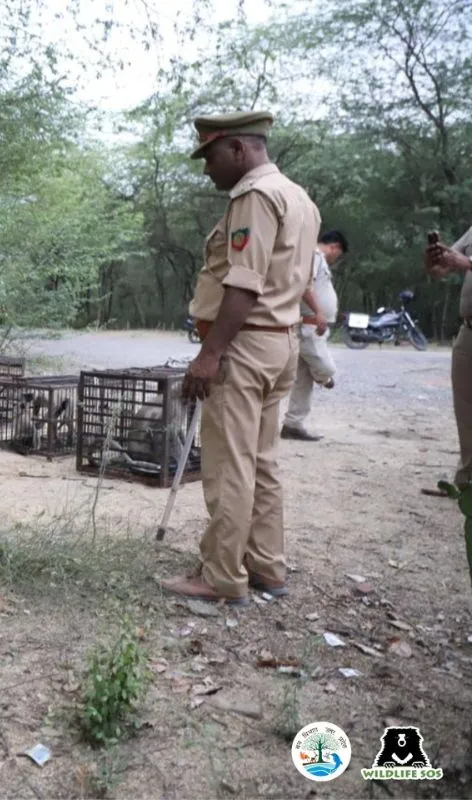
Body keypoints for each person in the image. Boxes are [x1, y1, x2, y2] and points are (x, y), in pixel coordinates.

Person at [158, 110, 321, 606]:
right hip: (281, 342)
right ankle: (267, 566)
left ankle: (223, 577)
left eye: (209, 155)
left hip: (245, 345)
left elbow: (244, 283)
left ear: (237, 149)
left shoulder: (253, 196)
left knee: (231, 463)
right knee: (263, 461)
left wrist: (209, 355)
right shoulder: (300, 197)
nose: (207, 167)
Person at [281, 230, 349, 441]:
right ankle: (325, 378)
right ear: (335, 247)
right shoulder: (315, 256)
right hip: (309, 326)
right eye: (338, 253)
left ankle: (293, 423)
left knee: (303, 380)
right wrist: (319, 312)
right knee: (325, 367)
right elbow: (304, 286)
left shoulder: (317, 259)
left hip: (314, 326)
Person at [421, 224, 472, 497]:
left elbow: (463, 261)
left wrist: (466, 262)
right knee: (466, 409)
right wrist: (435, 260)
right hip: (469, 330)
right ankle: (465, 484)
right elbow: (444, 267)